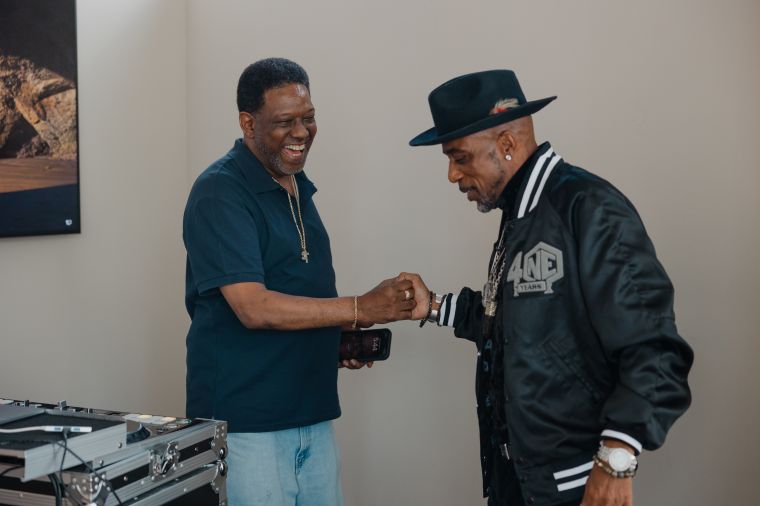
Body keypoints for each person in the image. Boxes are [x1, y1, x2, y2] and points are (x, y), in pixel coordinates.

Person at [402, 70, 693, 506]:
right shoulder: (519, 214)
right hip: (518, 481)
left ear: (506, 143)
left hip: (573, 485)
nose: (451, 174)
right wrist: (435, 307)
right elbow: (524, 325)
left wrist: (617, 455)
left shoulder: (589, 207)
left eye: (460, 157)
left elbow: (654, 349)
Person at [182, 58, 416, 506]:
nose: (302, 132)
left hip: (312, 413)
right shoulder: (219, 191)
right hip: (248, 425)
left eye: (309, 118)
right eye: (285, 121)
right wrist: (359, 307)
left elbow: (297, 292)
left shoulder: (296, 184)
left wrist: (337, 335)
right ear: (248, 123)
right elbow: (253, 307)